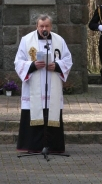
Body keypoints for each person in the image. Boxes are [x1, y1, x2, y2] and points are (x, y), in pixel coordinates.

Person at [14, 14, 73, 153]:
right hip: (34, 85)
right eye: (41, 26)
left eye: (47, 26)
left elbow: (68, 59)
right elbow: (18, 61)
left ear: (51, 27)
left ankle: (52, 147)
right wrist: (33, 65)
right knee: (34, 112)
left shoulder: (59, 40)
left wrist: (57, 66)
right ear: (37, 26)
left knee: (51, 112)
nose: (44, 29)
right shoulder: (26, 40)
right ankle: (32, 146)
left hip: (52, 85)